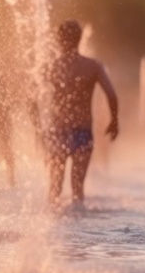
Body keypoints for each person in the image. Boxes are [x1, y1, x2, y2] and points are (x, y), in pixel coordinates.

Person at [46, 20, 118, 206]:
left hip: (58, 132)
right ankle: (79, 231)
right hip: (83, 132)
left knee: (55, 188)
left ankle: (52, 228)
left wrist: (38, 126)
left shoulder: (51, 66)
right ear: (79, 39)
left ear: (58, 40)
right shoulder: (93, 66)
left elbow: (31, 97)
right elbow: (111, 94)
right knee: (77, 188)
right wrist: (114, 121)